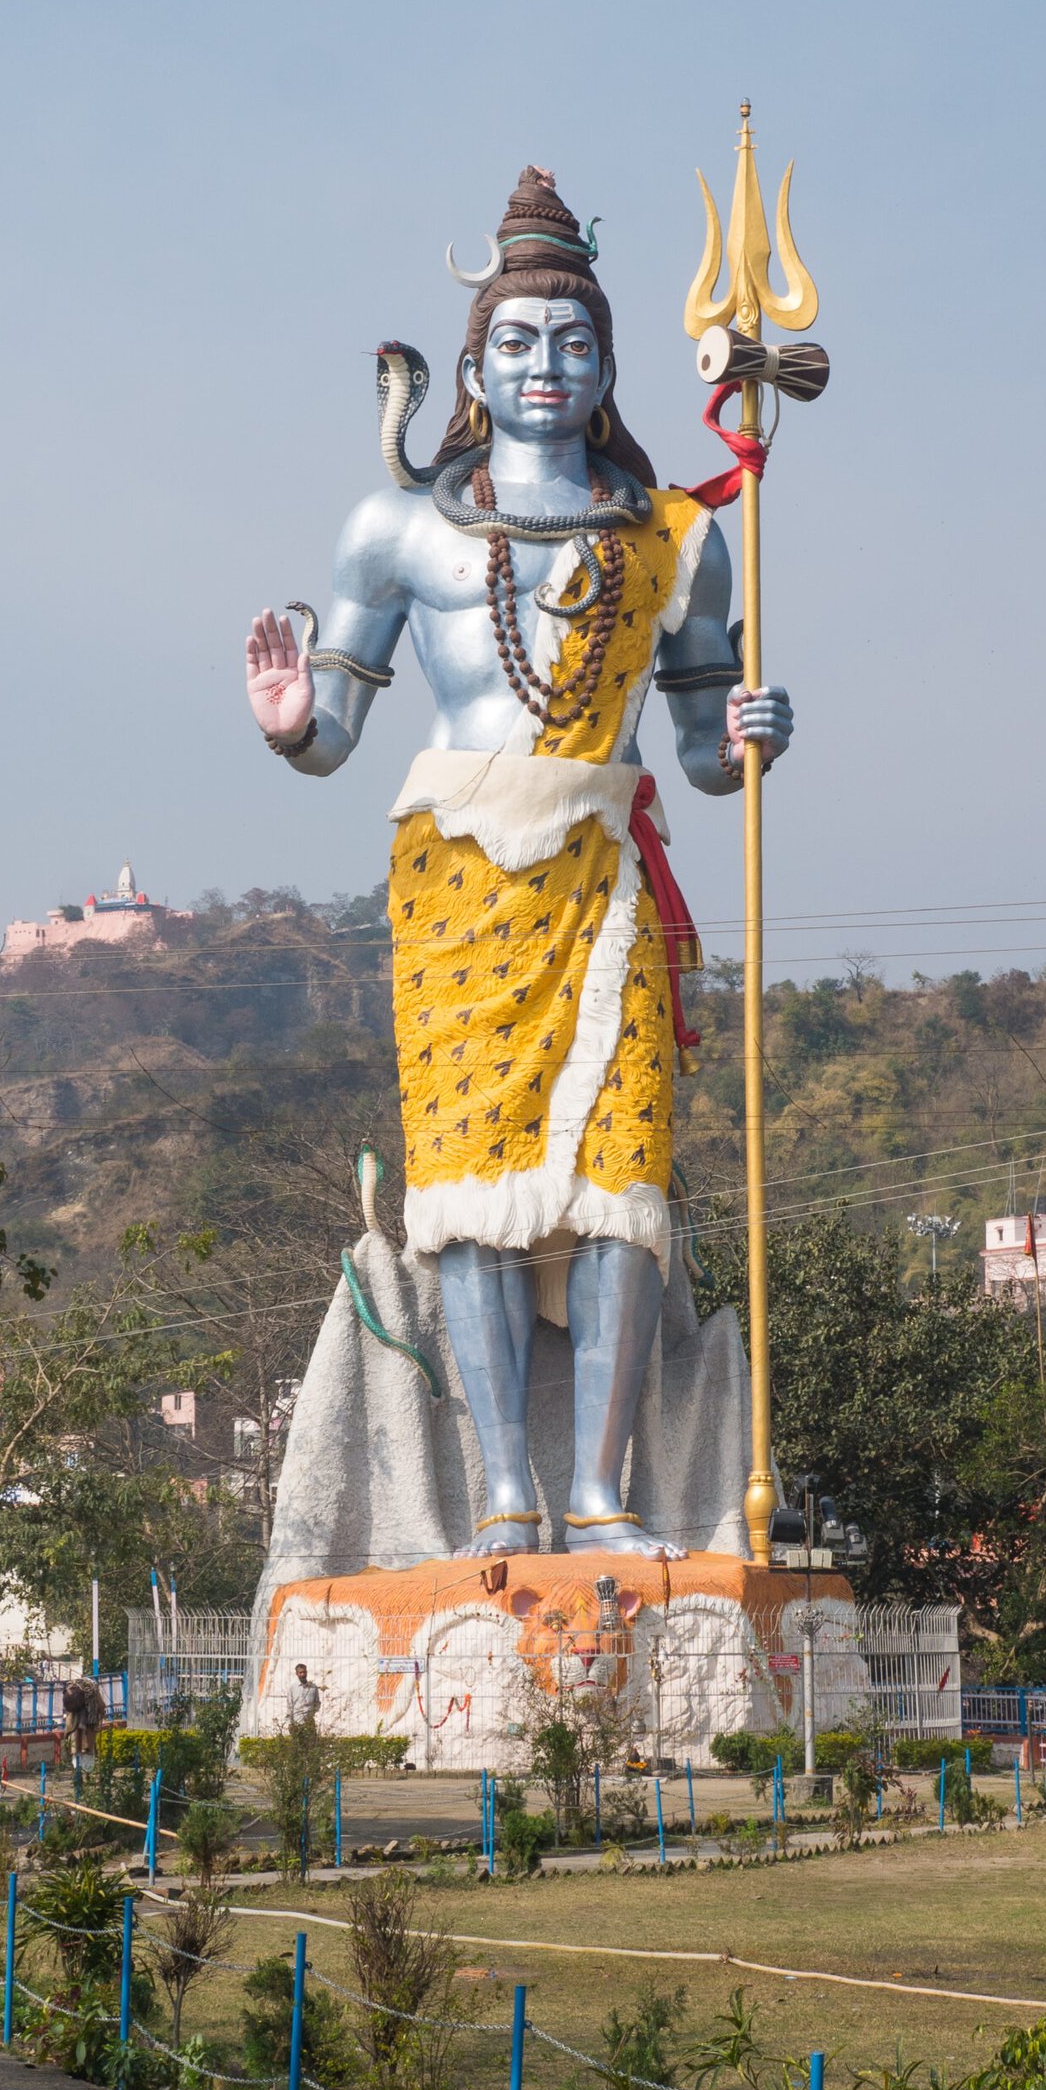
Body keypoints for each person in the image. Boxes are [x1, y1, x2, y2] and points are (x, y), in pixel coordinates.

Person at [247, 168, 794, 1562]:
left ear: (608, 365)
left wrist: (747, 733)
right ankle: (506, 1487)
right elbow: (335, 739)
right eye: (516, 345)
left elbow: (705, 750)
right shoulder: (402, 531)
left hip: (603, 871)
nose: (544, 368)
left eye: (572, 345)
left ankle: (602, 1492)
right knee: (470, 1187)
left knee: (623, 1182)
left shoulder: (678, 539)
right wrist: (289, 722)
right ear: (477, 369)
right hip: (458, 885)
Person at [61, 1675, 105, 1766]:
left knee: (76, 1730)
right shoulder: (92, 1686)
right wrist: (102, 1715)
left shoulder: (72, 1685)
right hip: (90, 1711)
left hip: (75, 1712)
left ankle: (76, 1760)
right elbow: (101, 1705)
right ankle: (88, 1755)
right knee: (90, 1729)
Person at [286, 1663, 321, 1733]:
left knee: (312, 1743)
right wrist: (290, 1723)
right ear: (297, 1674)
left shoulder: (313, 1687)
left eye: (304, 1672)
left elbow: (317, 1703)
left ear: (306, 1672)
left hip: (310, 1723)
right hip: (297, 1723)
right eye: (300, 1672)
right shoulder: (292, 1688)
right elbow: (289, 1706)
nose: (303, 1674)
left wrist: (311, 1713)